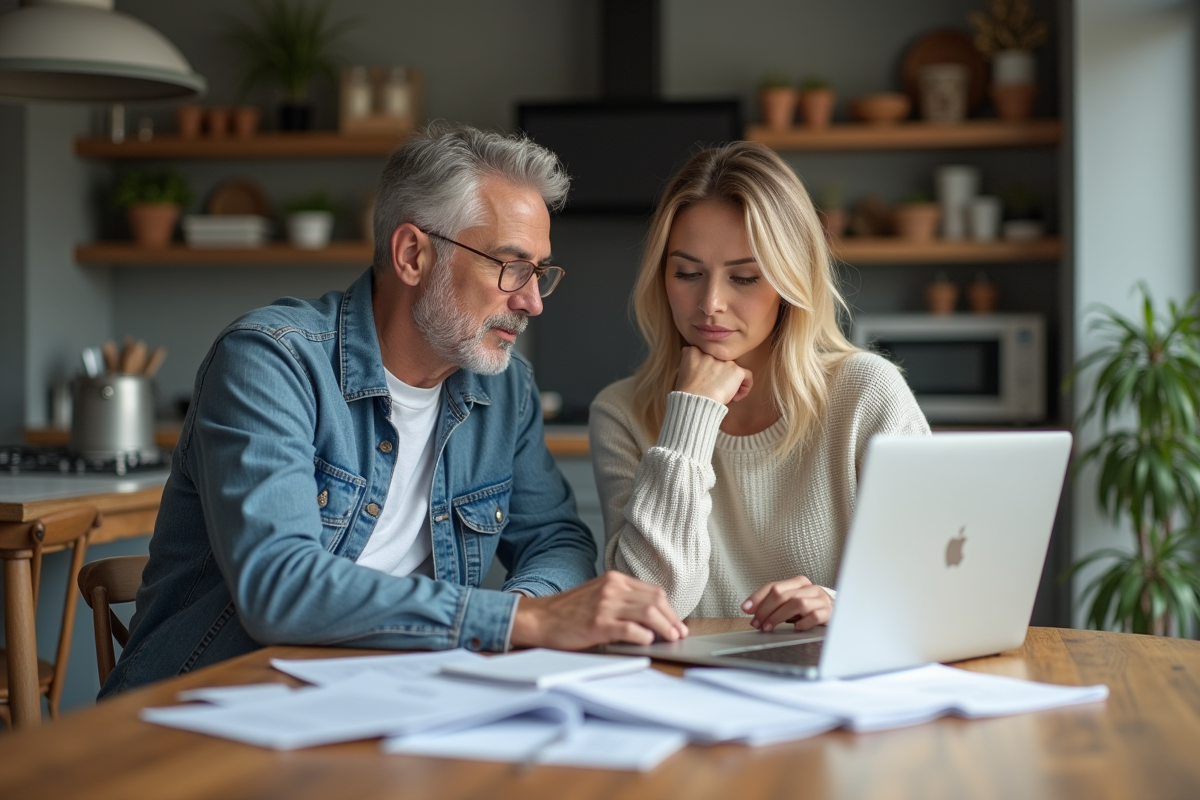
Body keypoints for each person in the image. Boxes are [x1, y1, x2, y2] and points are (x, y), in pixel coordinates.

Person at [102, 124, 686, 696]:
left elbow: (556, 538)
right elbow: (280, 585)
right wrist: (517, 624)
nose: (532, 302)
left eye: (539, 272)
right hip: (207, 714)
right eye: (510, 266)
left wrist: (525, 604)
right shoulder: (271, 361)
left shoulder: (505, 390)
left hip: (384, 704)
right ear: (412, 255)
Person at [589, 141, 929, 635]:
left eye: (744, 277)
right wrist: (691, 418)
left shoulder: (866, 393)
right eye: (687, 273)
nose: (710, 303)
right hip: (688, 692)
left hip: (835, 688)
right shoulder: (622, 412)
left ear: (792, 280)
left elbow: (930, 580)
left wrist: (844, 605)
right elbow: (651, 604)